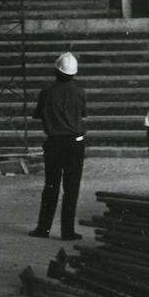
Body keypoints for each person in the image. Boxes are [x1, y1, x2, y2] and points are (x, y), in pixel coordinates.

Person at [29, 52, 87, 242]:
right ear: (74, 73)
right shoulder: (80, 93)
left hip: (54, 143)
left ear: (56, 70)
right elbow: (82, 116)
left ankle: (43, 228)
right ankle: (67, 232)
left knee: (51, 185)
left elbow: (38, 116)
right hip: (75, 143)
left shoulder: (46, 93)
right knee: (72, 188)